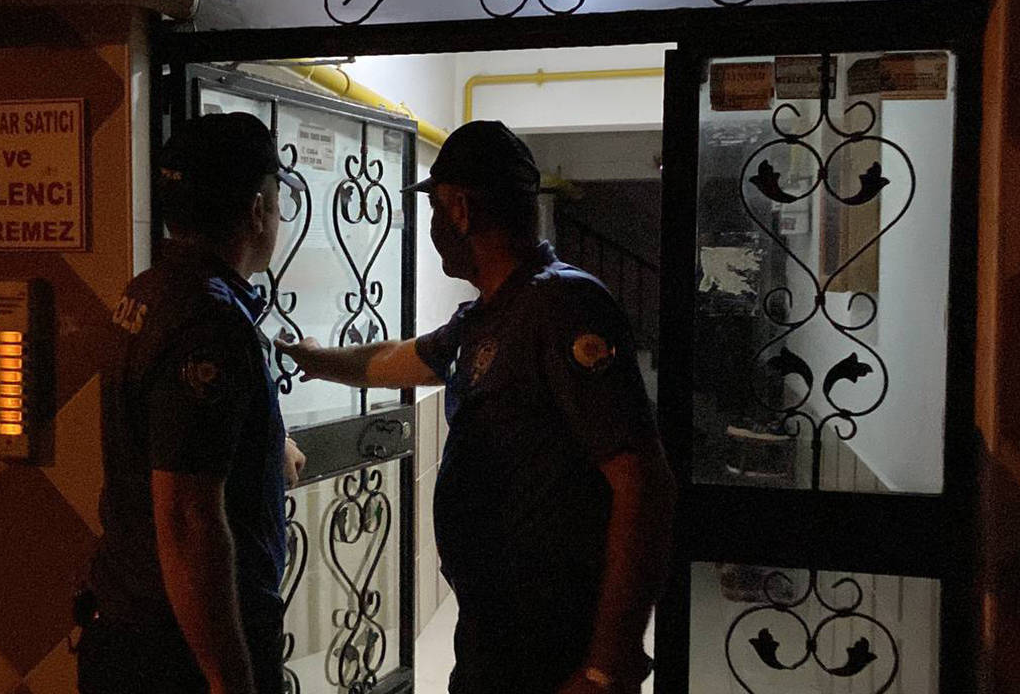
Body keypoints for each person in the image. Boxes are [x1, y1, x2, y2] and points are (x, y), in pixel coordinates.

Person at [276, 120, 676, 694]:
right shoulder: (489, 315)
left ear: (460, 210)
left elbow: (643, 482)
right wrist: (315, 359)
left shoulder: (564, 305)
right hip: (496, 629)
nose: (433, 228)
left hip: (552, 640)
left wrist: (607, 664)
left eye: (434, 210)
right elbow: (396, 359)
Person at [79, 112, 307, 694]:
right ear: (258, 209)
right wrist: (229, 680)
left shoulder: (150, 291)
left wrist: (265, 447)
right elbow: (187, 518)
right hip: (178, 652)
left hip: (131, 625)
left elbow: (167, 438)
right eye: (278, 202)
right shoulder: (209, 322)